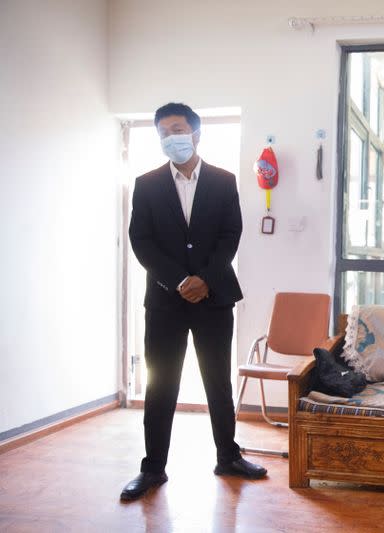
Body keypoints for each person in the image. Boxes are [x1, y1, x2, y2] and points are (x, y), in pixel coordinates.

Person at [121, 102, 266, 501]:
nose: (172, 137)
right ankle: (152, 468)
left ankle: (228, 456)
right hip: (166, 300)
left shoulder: (223, 180)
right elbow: (141, 240)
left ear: (196, 133)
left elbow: (230, 234)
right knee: (161, 384)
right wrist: (179, 280)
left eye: (178, 129)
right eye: (164, 132)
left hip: (214, 296)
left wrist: (205, 278)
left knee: (217, 381)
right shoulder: (147, 183)